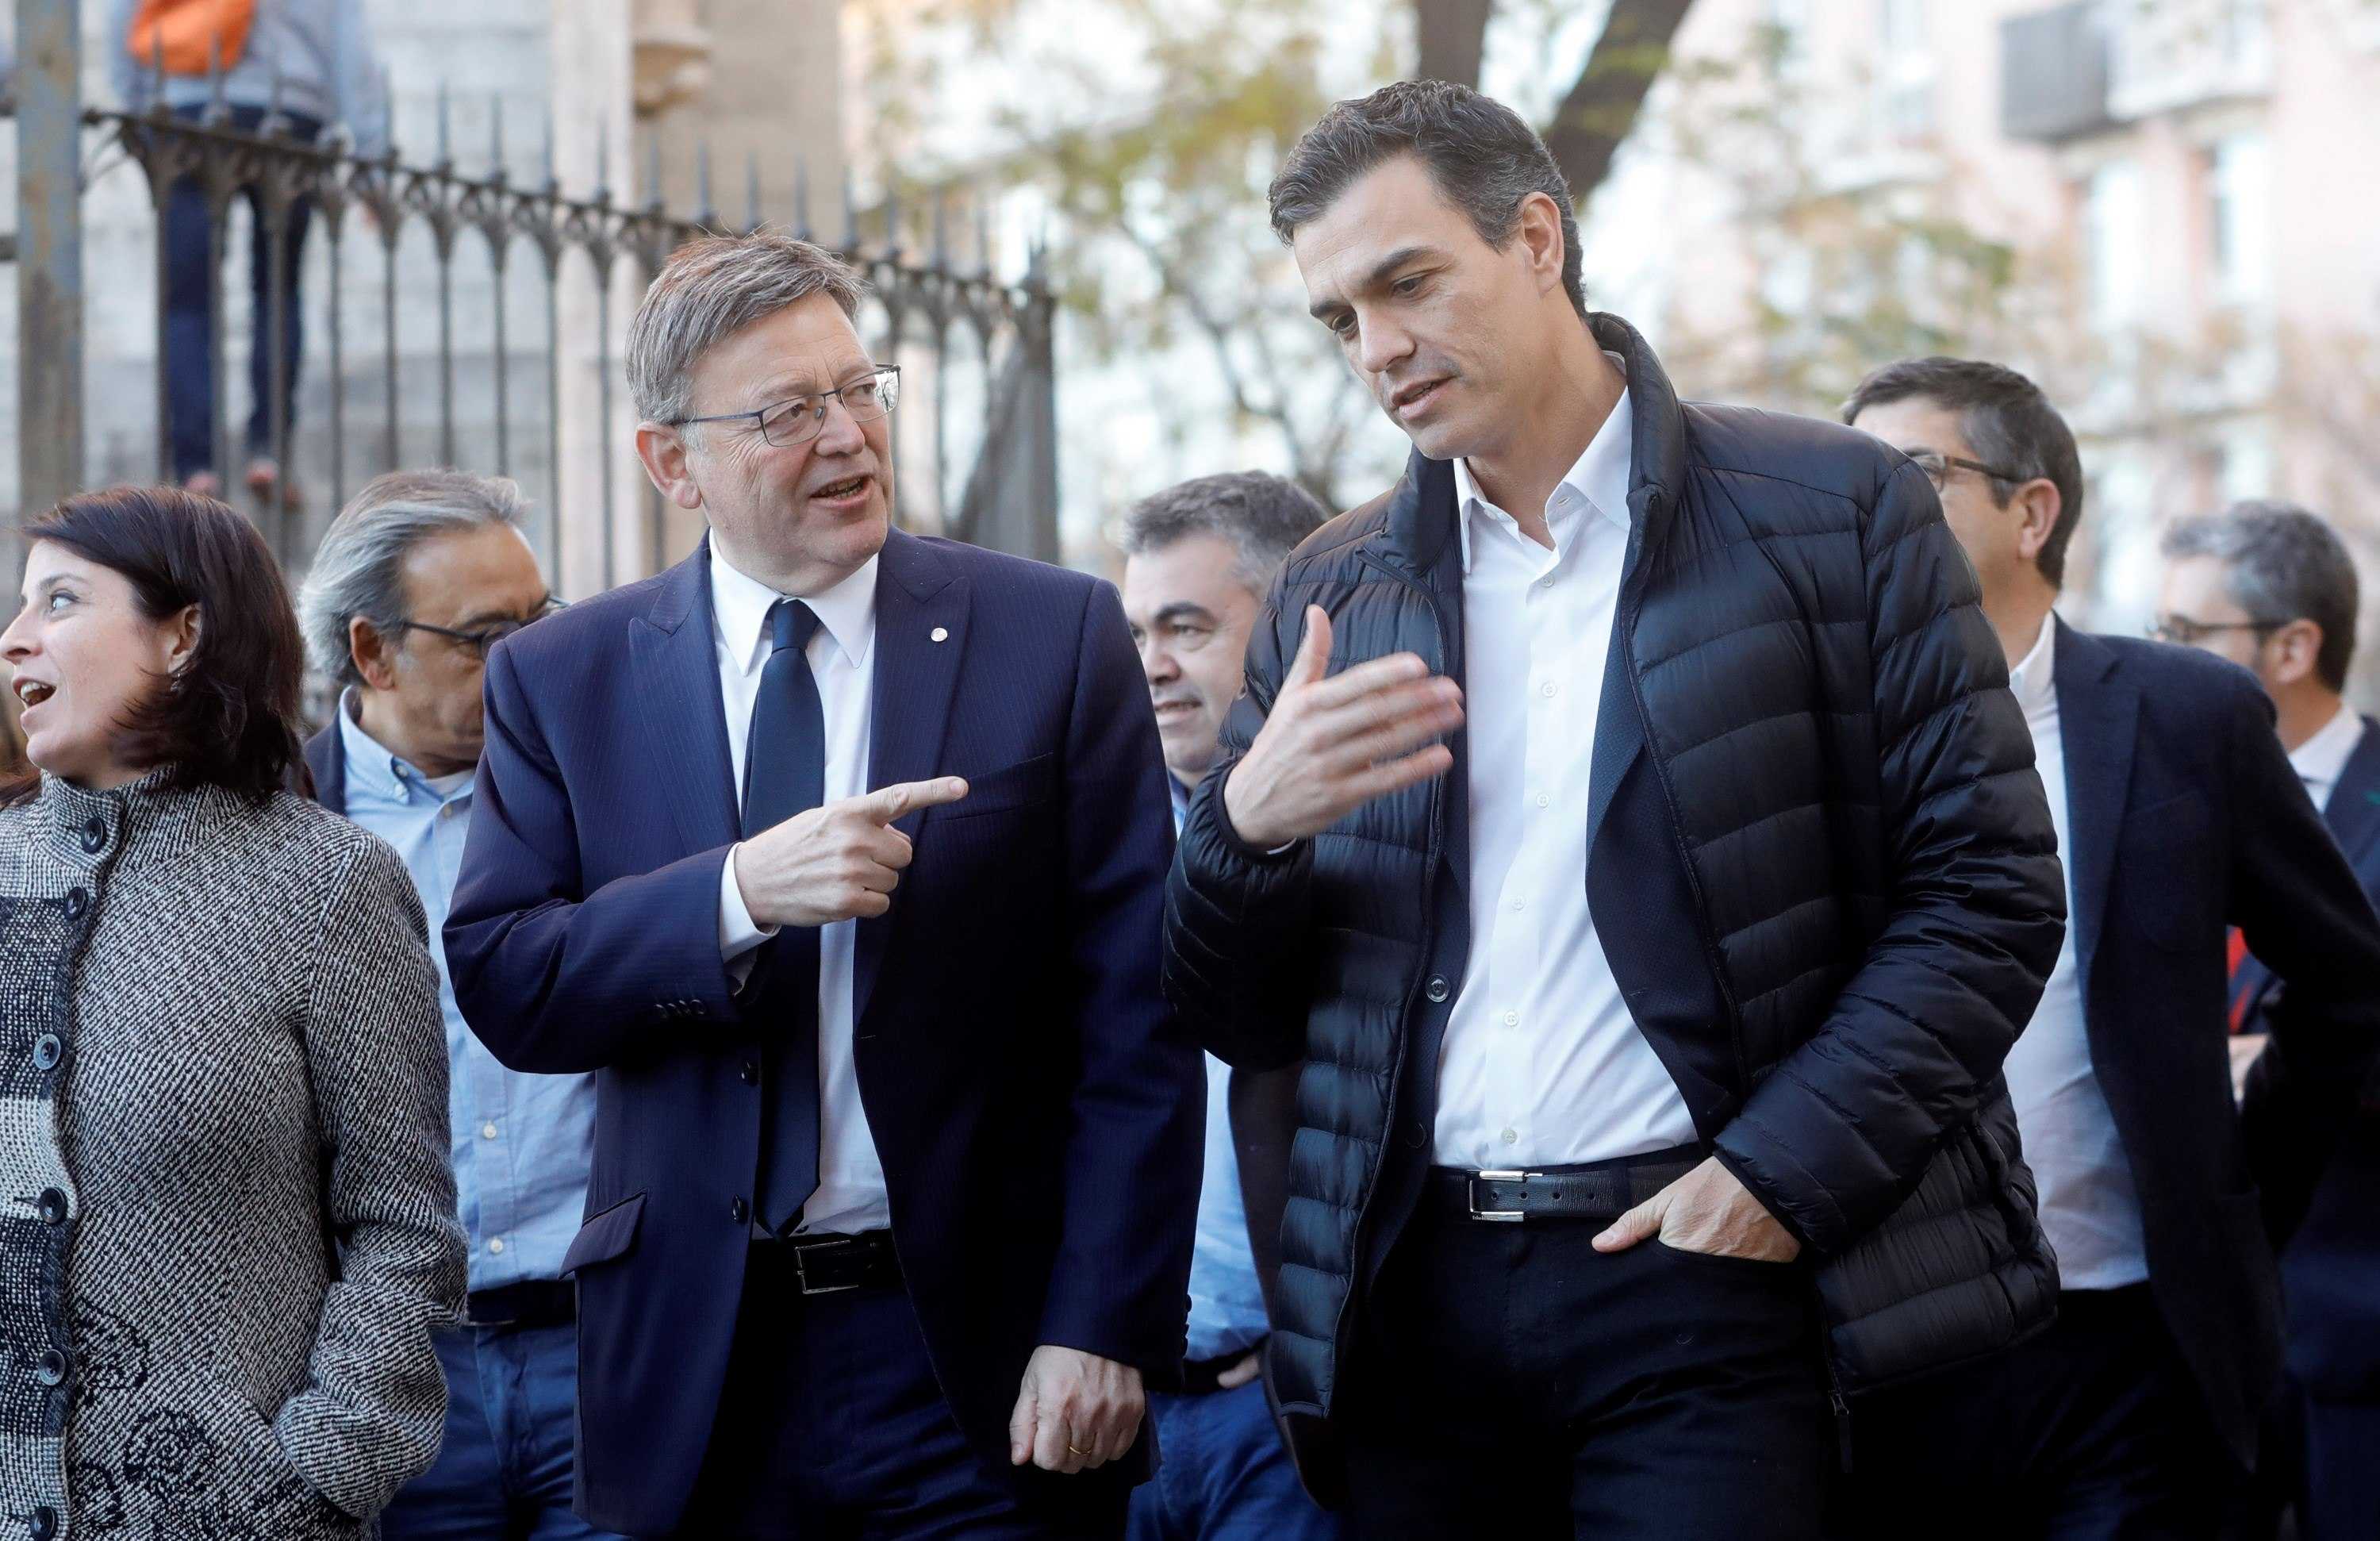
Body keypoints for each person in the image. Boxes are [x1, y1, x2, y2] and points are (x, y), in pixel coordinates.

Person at [1162, 80, 2067, 1541]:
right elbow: (1234, 1012)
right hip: (1417, 1312)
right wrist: (1244, 831)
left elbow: (1989, 892)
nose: (1378, 349)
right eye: (1340, 318)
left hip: (1713, 1283)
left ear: (1537, 239)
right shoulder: (1336, 586)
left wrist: (1777, 1176)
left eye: (1408, 283)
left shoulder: (1831, 510)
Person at [443, 231, 1202, 1540]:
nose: (848, 436)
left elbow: (1138, 1015)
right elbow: (510, 980)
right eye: (786, 411)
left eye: (859, 390)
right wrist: (734, 895)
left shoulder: (1053, 634)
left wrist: (1102, 1321)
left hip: (979, 1366)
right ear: (673, 462)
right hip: (699, 1373)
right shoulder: (565, 677)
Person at [1837, 361, 2380, 1538]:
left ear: (2031, 512)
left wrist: (2237, 1176)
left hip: (2137, 1341)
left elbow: (2347, 983)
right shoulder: (1810, 723)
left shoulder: (2188, 713)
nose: (1866, 505)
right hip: (1890, 1348)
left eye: (1909, 472)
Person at [0, 486, 464, 1540]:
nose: (15, 636)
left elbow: (404, 1226)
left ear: (183, 634)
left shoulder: (325, 884)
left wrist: (311, 1480)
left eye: (60, 600)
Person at [293, 470, 607, 1541]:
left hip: (599, 1351)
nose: (526, 661)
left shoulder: (605, 794)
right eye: (484, 639)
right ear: (372, 651)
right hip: (391, 1374)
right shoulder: (278, 827)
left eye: (539, 621)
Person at [1118, 471, 1339, 1541]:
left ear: (1296, 622)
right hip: (1115, 1414)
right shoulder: (1094, 846)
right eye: (1136, 633)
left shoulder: (1382, 830)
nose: (1152, 664)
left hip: (1288, 1419)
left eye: (1187, 627)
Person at [2159, 502, 2380, 1541]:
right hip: (2191, 1333)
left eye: (2185, 633)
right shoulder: (2158, 800)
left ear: (2293, 647)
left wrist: (2256, 1060)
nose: (2159, 658)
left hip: (2358, 1320)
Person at [107, 0, 390, 504]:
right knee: (278, 290)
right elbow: (351, 44)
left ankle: (196, 465)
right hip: (291, 115)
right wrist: (371, 158)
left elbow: (123, 16)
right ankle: (269, 451)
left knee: (188, 301)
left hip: (187, 106)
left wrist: (138, 104)